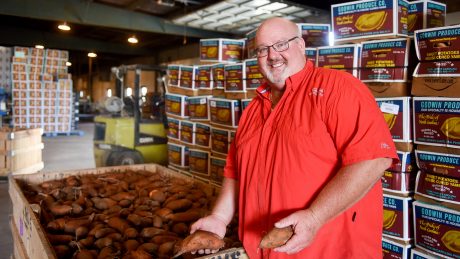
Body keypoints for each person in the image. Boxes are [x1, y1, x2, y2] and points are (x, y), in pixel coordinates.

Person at [191, 17, 397, 258]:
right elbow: (235, 172)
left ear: (300, 45)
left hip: (328, 251)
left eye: (281, 44)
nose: (272, 56)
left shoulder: (338, 89)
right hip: (263, 250)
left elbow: (373, 159)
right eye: (263, 49)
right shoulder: (253, 110)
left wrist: (315, 217)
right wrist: (219, 217)